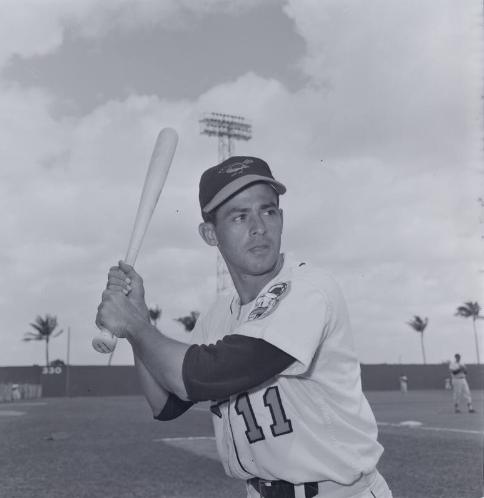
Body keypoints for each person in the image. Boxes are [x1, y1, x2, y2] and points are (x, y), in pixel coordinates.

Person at [96, 156, 393, 498]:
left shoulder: (308, 290)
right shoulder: (220, 313)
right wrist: (139, 318)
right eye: (240, 216)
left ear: (281, 218)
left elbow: (200, 375)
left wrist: (134, 326)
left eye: (268, 211)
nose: (259, 228)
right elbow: (165, 403)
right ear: (210, 234)